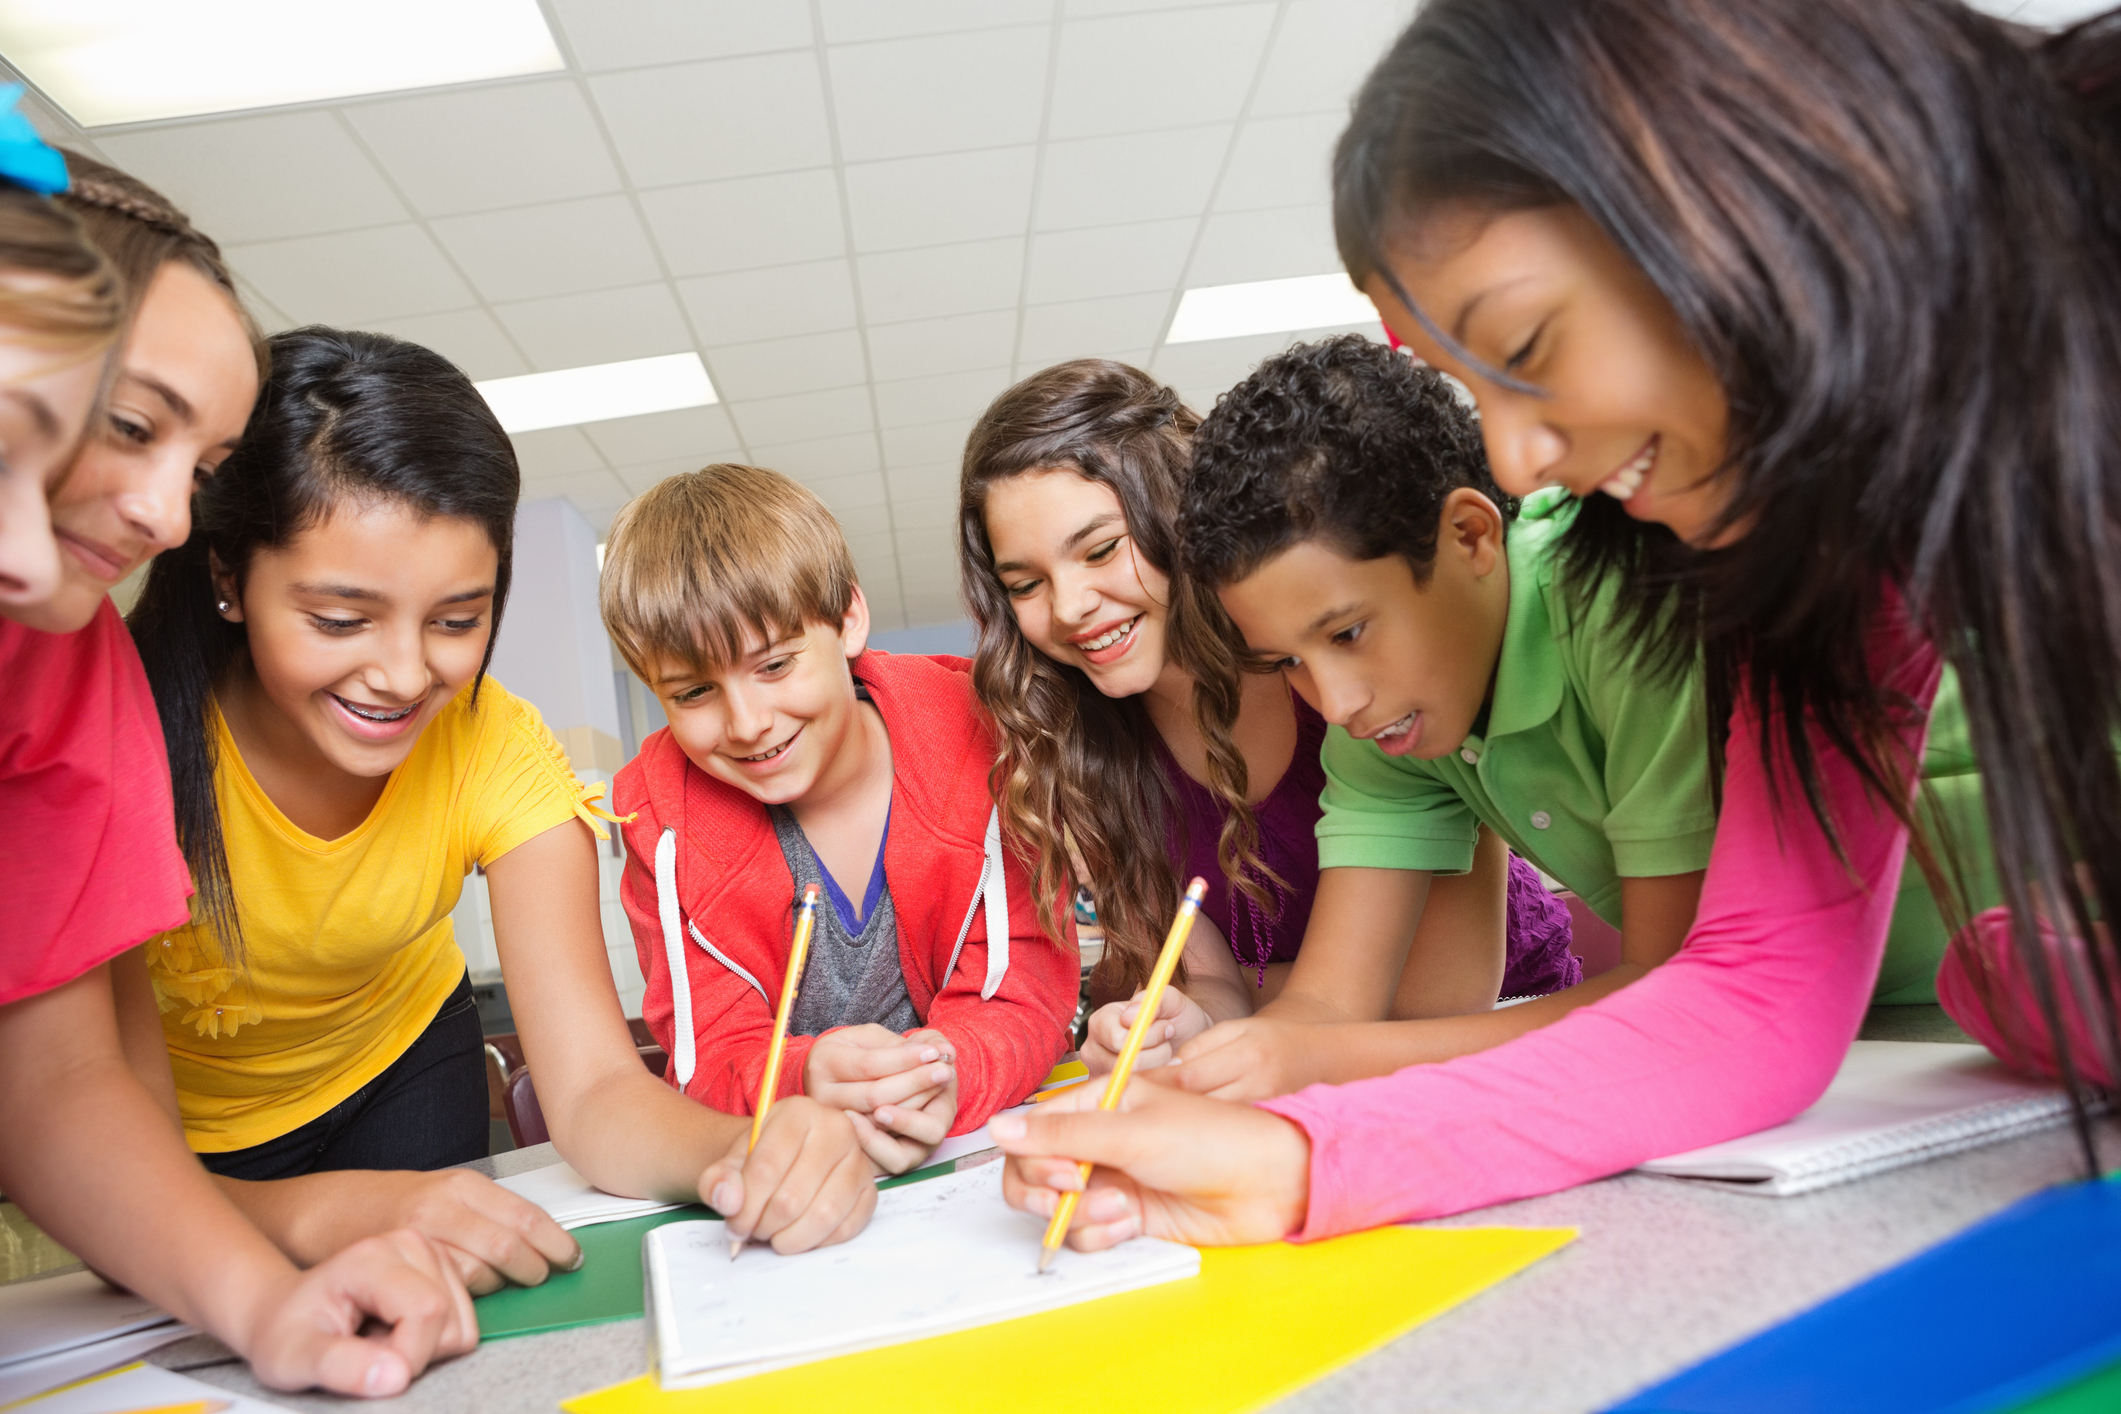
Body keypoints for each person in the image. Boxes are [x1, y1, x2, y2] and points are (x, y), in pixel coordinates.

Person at [992, 0, 2100, 1247]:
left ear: (1714, 176)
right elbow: (1753, 995)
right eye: (1475, 387)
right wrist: (1300, 1156)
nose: (1521, 456)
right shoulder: (1808, 552)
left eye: (1527, 344)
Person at [128, 329, 877, 1261]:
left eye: (456, 620)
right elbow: (105, 1148)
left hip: (401, 1072)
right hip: (171, 1144)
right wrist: (319, 1216)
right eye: (338, 619)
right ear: (228, 578)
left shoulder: (497, 747)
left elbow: (598, 1091)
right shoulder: (125, 740)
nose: (403, 675)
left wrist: (745, 1151)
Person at [0, 118, 476, 1395]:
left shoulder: (64, 665)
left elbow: (53, 1081)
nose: (162, 509)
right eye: (129, 424)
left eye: (202, 466)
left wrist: (271, 1307)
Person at [959, 357, 1577, 1079]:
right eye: (1025, 584)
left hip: (1504, 1030)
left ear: (1180, 519)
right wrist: (1189, 1020)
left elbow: (1436, 997)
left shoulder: (1359, 683)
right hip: (1308, 1053)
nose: (1068, 607)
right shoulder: (1082, 751)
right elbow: (1213, 983)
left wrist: (1247, 999)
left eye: (1100, 550)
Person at [1168, 334, 1721, 1100]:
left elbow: (1679, 990)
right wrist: (1201, 1077)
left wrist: (1323, 1059)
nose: (1334, 703)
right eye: (1286, 660)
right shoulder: (1392, 718)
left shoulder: (1619, 596)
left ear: (1469, 535)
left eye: (1348, 633)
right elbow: (1328, 1005)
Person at [603, 464, 1078, 1180]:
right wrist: (800, 1077)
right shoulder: (660, 823)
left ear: (848, 619)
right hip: (800, 1175)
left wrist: (953, 1075)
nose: (747, 723)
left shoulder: (991, 741)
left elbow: (1022, 994)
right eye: (695, 691)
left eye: (775, 665)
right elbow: (709, 1054)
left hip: (973, 1159)